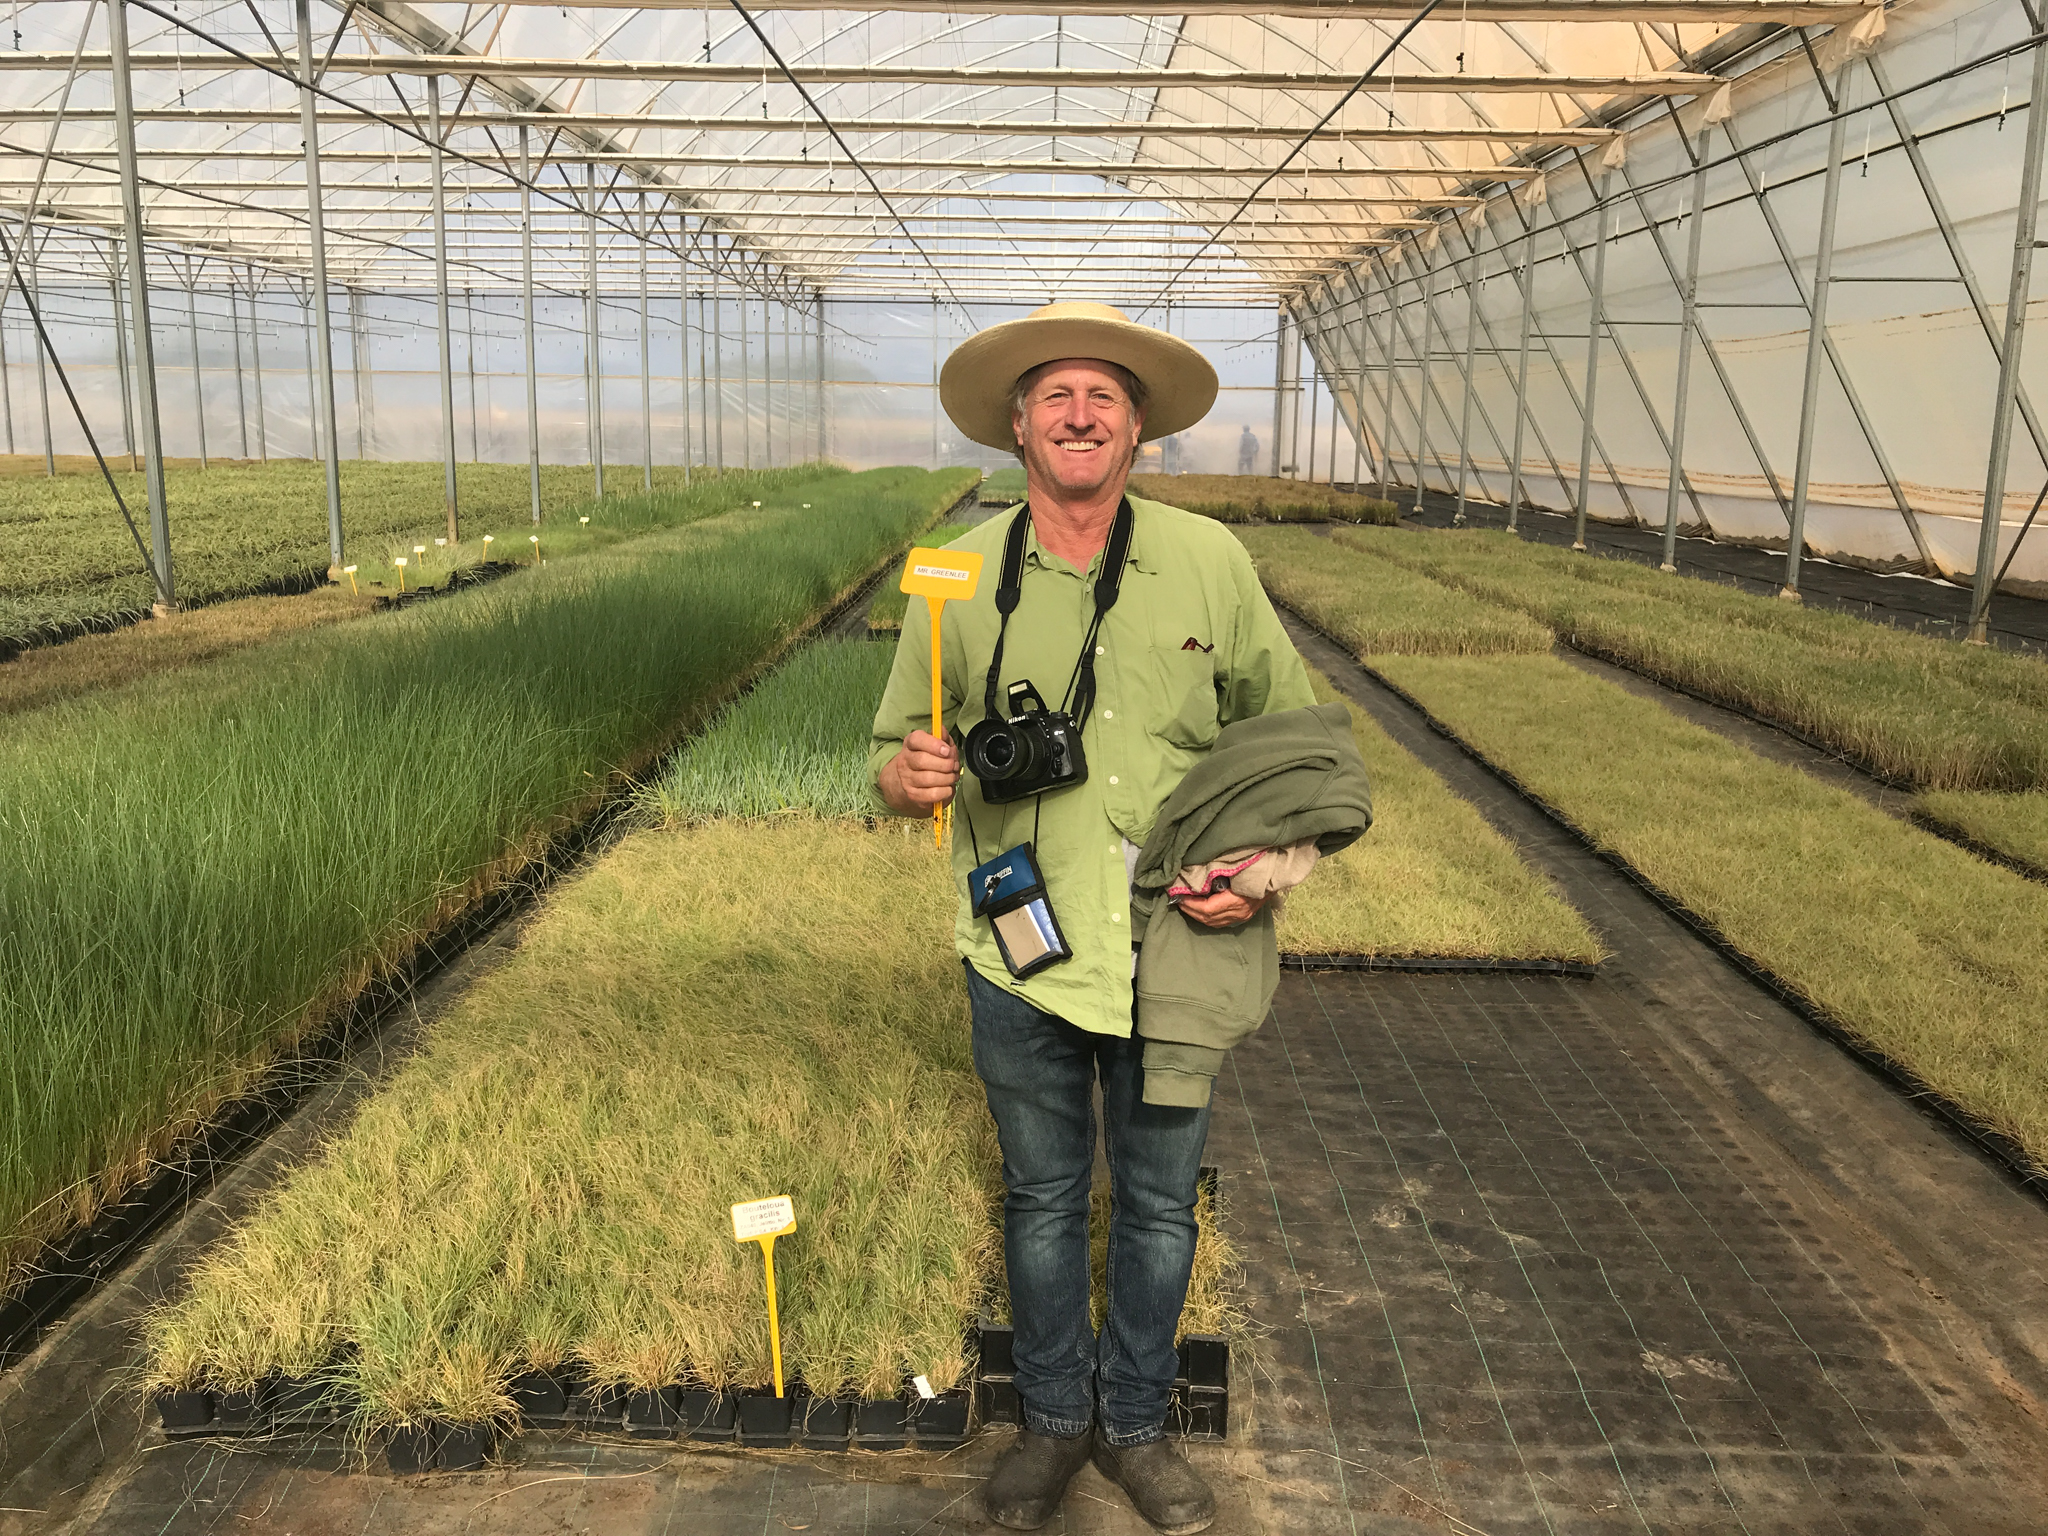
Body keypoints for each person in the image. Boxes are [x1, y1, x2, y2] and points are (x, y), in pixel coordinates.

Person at [869, 301, 1317, 1533]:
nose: (1078, 415)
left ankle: (1135, 1426)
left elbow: (1293, 745)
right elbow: (893, 744)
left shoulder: (1208, 560)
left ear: (1136, 429)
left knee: (1163, 1204)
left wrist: (1270, 868)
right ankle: (1053, 1422)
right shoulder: (956, 569)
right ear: (1016, 424)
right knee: (1044, 1196)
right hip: (1019, 951)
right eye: (1055, 395)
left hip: (1177, 946)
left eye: (1102, 398)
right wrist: (905, 779)